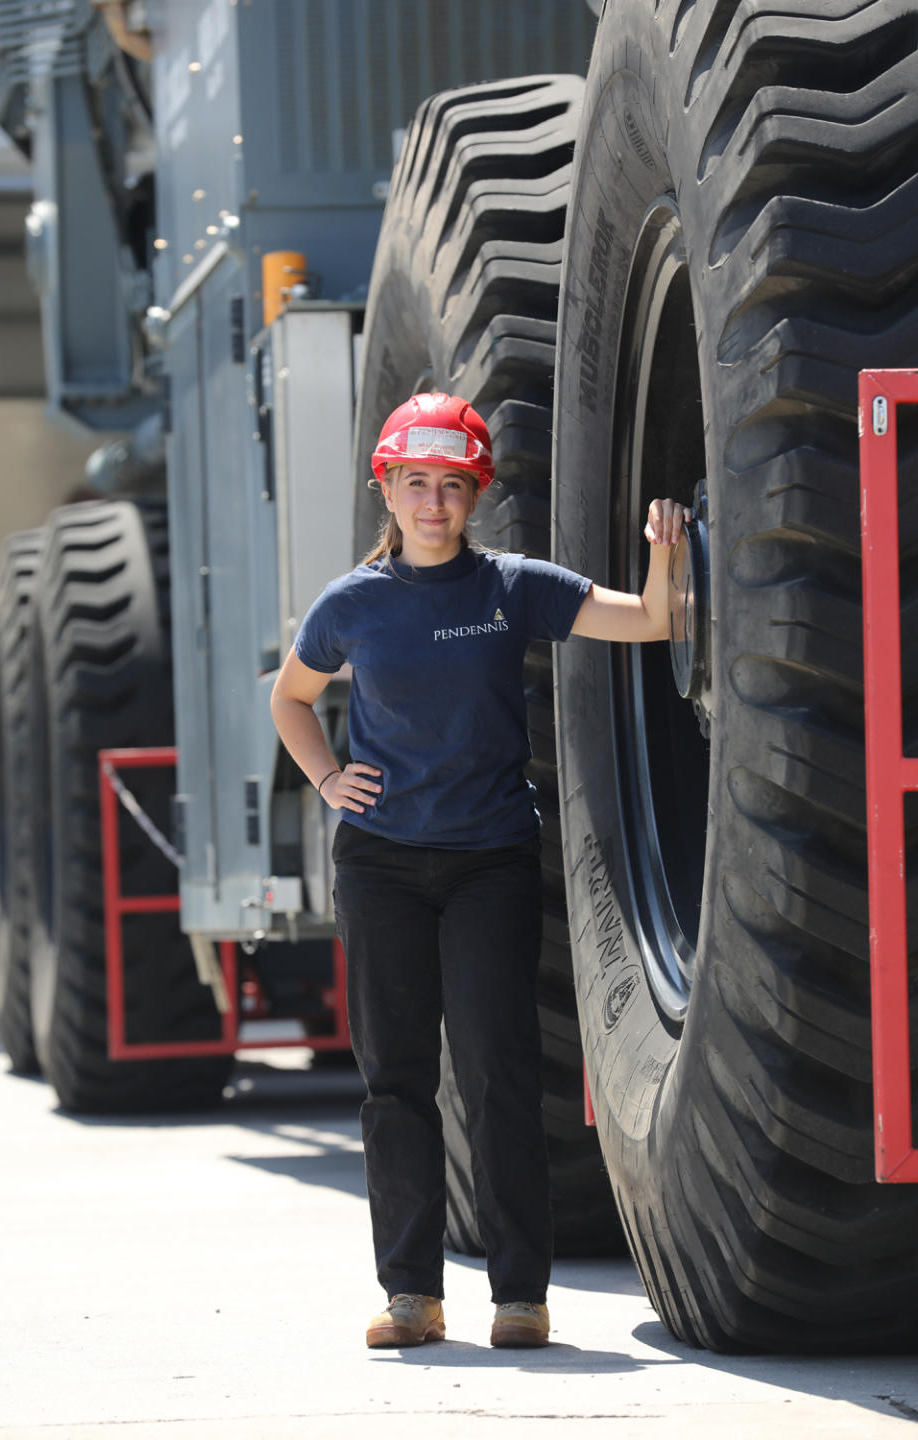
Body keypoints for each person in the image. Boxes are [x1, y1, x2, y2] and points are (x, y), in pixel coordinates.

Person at [270, 392, 690, 1350]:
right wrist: (329, 777)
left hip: (489, 863)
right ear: (388, 488)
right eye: (415, 484)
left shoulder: (513, 587)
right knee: (397, 1079)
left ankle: (519, 1296)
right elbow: (292, 699)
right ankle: (412, 1294)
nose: (433, 503)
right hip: (380, 865)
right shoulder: (351, 605)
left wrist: (667, 547)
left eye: (451, 486)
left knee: (501, 1071)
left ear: (474, 494)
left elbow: (654, 623)